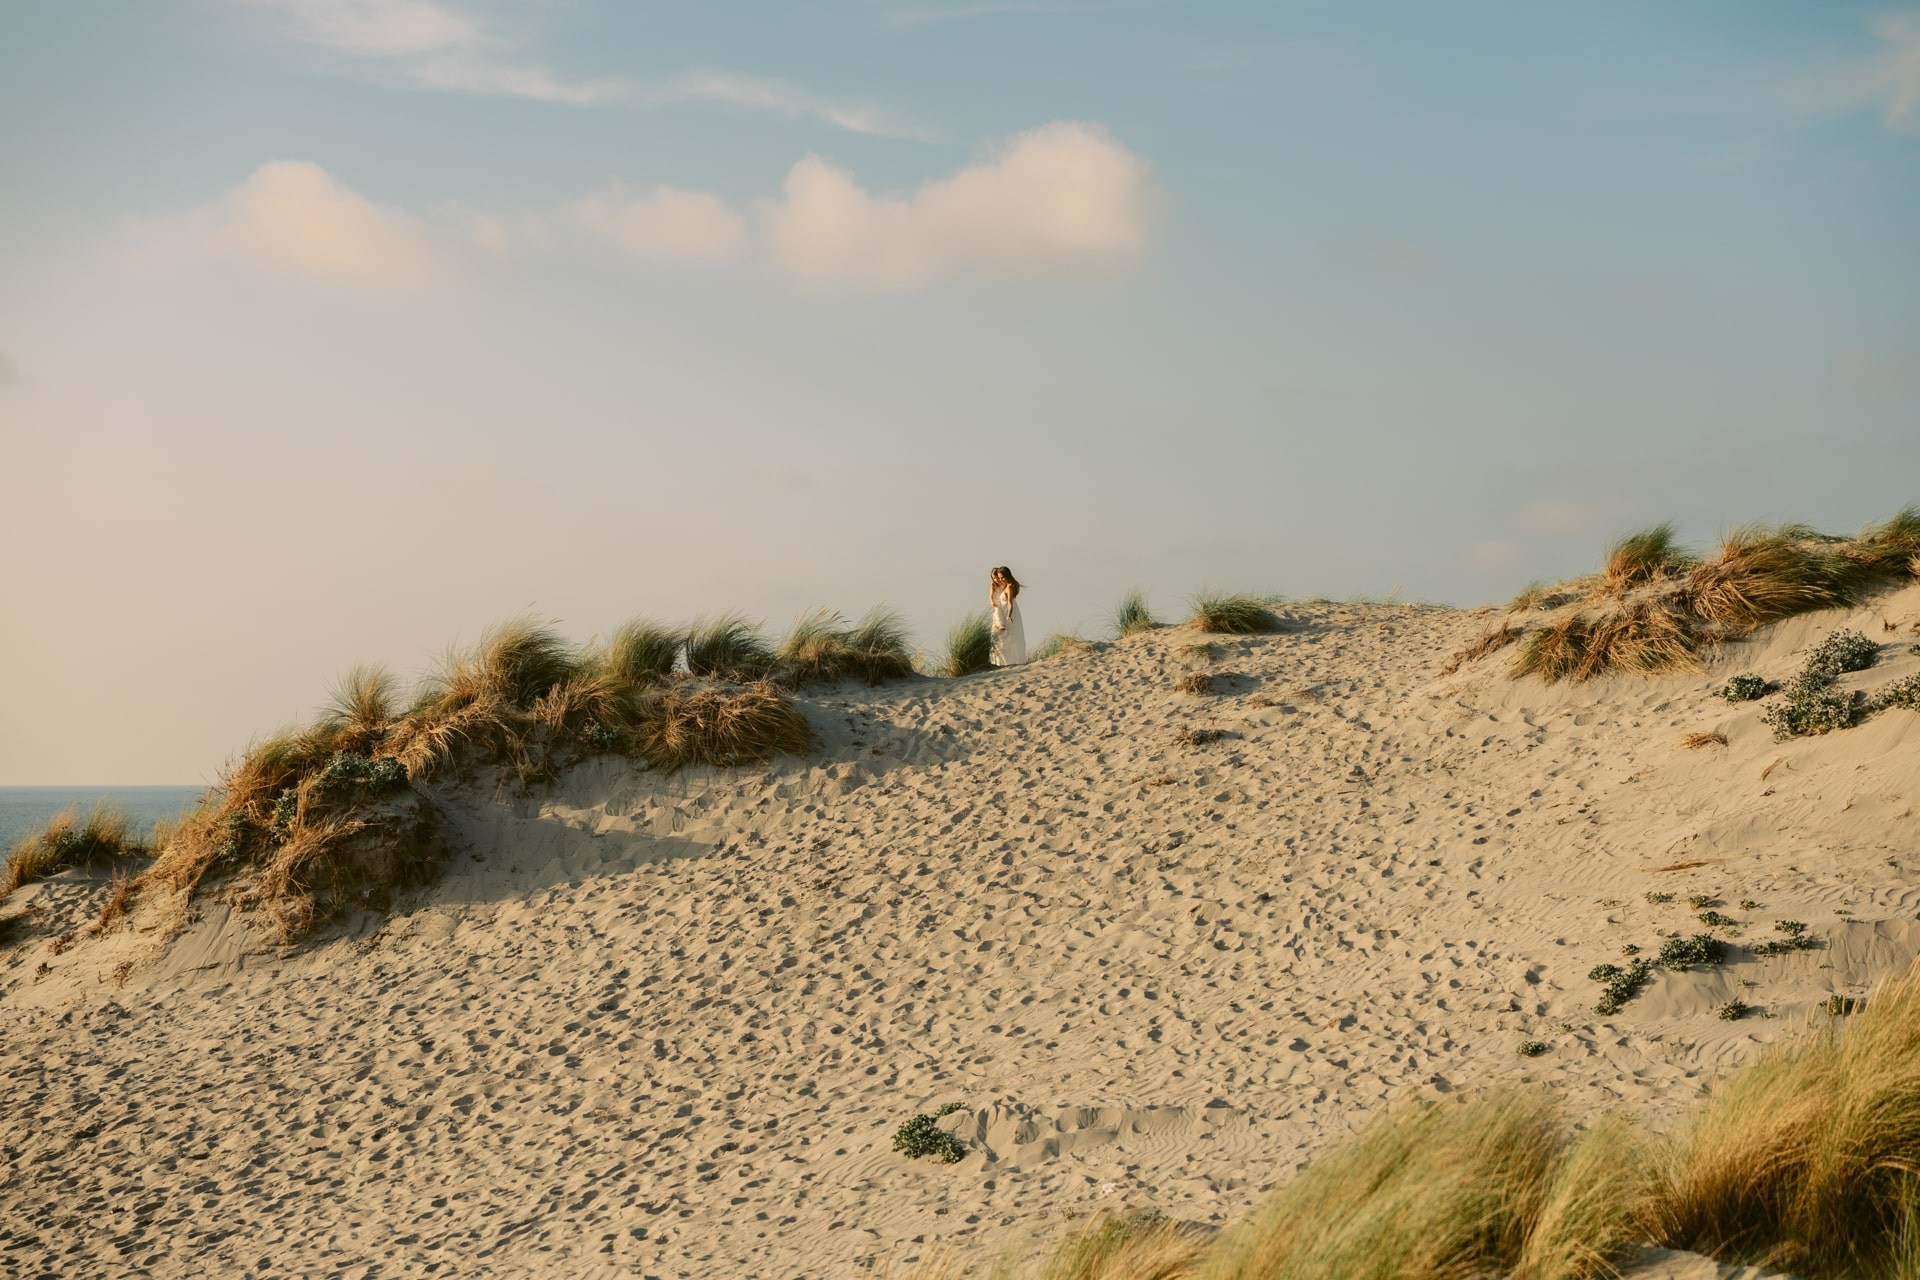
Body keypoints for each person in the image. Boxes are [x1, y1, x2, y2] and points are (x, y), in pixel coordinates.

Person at [989, 566, 1026, 667]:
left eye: (1003, 578)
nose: (1001, 580)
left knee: (1009, 638)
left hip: (1008, 614)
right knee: (1000, 639)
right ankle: (1000, 663)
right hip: (1003, 614)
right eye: (999, 578)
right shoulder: (1003, 586)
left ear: (1008, 576)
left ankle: (1010, 662)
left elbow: (1010, 602)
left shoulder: (1009, 586)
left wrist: (1009, 614)